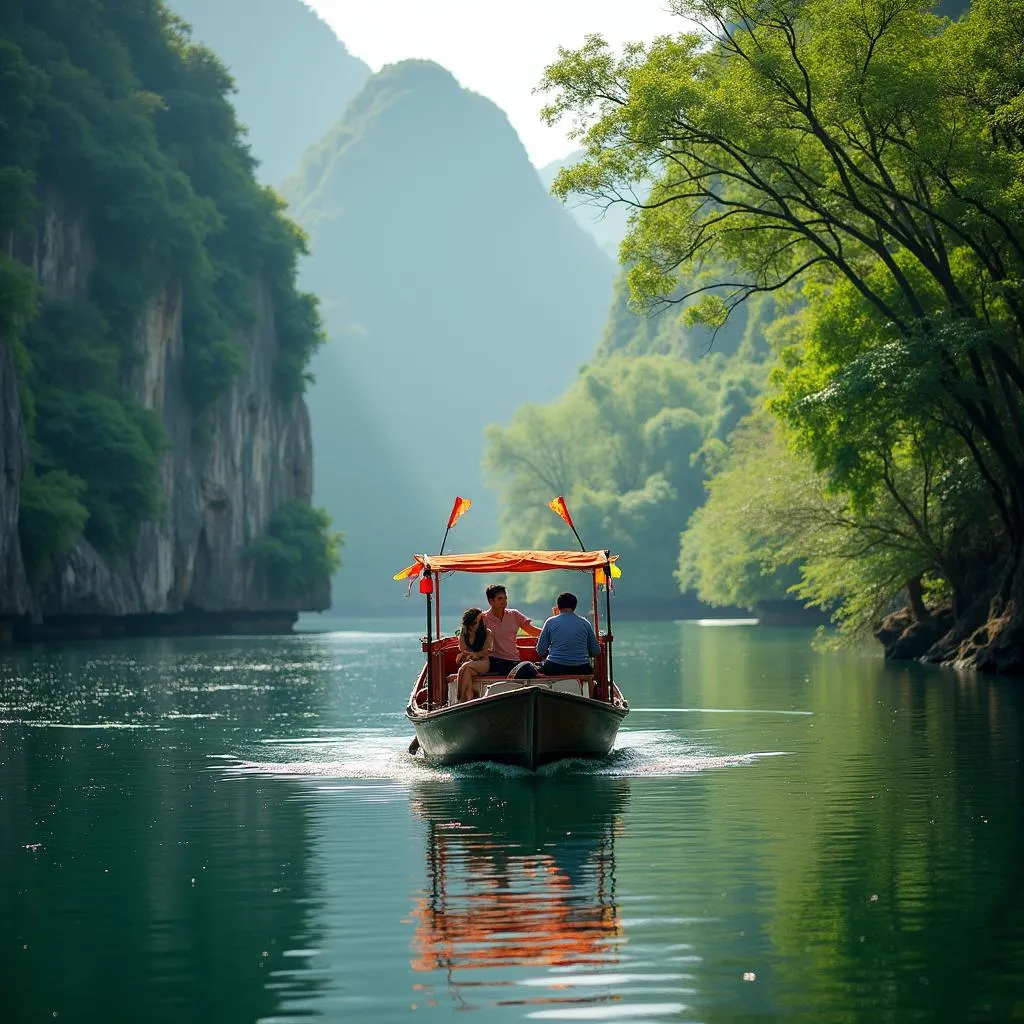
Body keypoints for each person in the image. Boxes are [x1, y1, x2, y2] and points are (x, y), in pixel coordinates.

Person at [481, 584, 542, 676]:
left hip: (513, 661)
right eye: (500, 599)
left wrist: (552, 632)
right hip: (494, 660)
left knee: (531, 668)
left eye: (505, 598)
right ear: (491, 601)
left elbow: (532, 630)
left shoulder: (514, 614)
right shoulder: (483, 618)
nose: (504, 601)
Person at [535, 592, 600, 677]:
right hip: (581, 668)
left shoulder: (550, 622)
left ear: (558, 606)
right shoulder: (585, 623)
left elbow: (540, 651)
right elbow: (596, 651)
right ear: (575, 606)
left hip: (554, 668)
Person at [456, 607, 492, 702]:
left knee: (463, 668)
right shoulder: (464, 633)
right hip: (470, 662)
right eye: (473, 623)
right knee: (466, 670)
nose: (474, 626)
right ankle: (469, 697)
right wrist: (470, 655)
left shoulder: (487, 633)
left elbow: (487, 650)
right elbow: (462, 648)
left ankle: (459, 698)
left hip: (483, 662)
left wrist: (476, 655)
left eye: (476, 622)